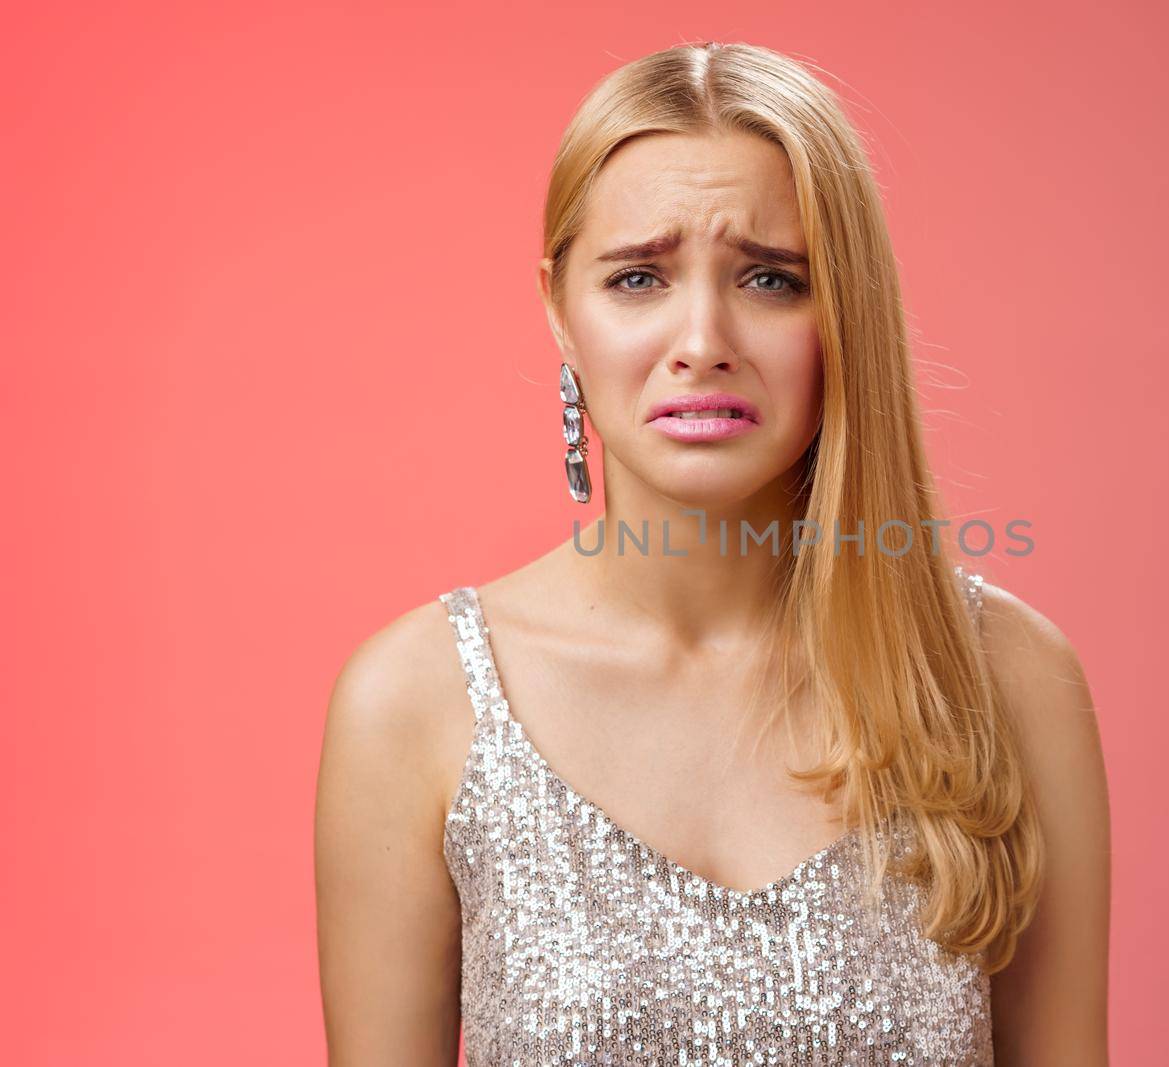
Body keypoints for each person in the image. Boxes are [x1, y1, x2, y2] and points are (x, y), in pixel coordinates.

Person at [315, 41, 1110, 1066]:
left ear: (846, 311)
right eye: (638, 275)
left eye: (771, 279)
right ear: (562, 308)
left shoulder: (1004, 677)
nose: (702, 337)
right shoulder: (415, 703)